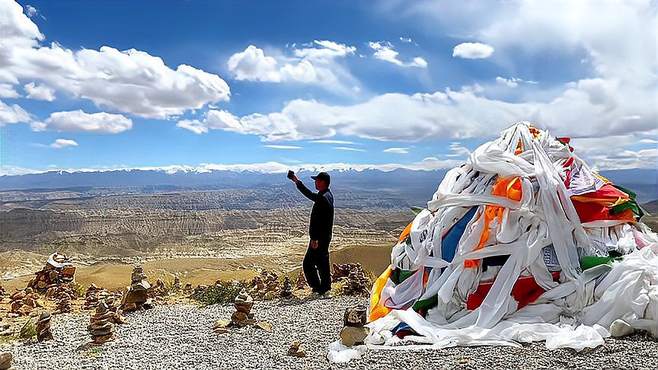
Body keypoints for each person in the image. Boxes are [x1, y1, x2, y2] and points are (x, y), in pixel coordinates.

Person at [288, 170, 334, 297]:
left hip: (318, 238)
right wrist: (296, 181)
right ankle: (325, 288)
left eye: (317, 180)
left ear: (322, 182)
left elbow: (318, 221)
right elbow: (310, 195)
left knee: (308, 264)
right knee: (322, 262)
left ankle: (317, 289)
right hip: (325, 237)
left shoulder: (323, 198)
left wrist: (314, 239)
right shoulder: (327, 195)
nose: (315, 182)